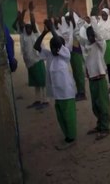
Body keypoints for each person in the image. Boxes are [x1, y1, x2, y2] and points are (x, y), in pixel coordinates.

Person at [34, 19, 77, 150]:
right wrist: (44, 32)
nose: (53, 49)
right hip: (57, 93)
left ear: (60, 48)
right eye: (51, 47)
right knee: (60, 116)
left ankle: (71, 138)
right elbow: (36, 46)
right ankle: (67, 136)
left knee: (68, 116)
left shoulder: (65, 55)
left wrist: (52, 28)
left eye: (55, 47)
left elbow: (58, 42)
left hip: (66, 93)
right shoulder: (50, 56)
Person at [76, 15, 110, 140]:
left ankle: (105, 127)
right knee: (95, 105)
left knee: (103, 104)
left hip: (100, 78)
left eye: (93, 36)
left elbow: (98, 34)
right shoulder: (86, 46)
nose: (91, 38)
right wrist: (80, 21)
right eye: (89, 36)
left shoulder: (100, 45)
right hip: (91, 79)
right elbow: (77, 34)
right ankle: (99, 124)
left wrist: (92, 20)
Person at [14, 2, 48, 109]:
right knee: (36, 83)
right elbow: (20, 23)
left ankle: (45, 100)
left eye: (30, 28)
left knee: (42, 82)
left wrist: (31, 12)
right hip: (29, 62)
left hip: (37, 60)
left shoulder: (35, 34)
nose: (28, 29)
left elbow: (32, 23)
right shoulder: (23, 34)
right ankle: (38, 100)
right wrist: (23, 12)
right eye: (26, 28)